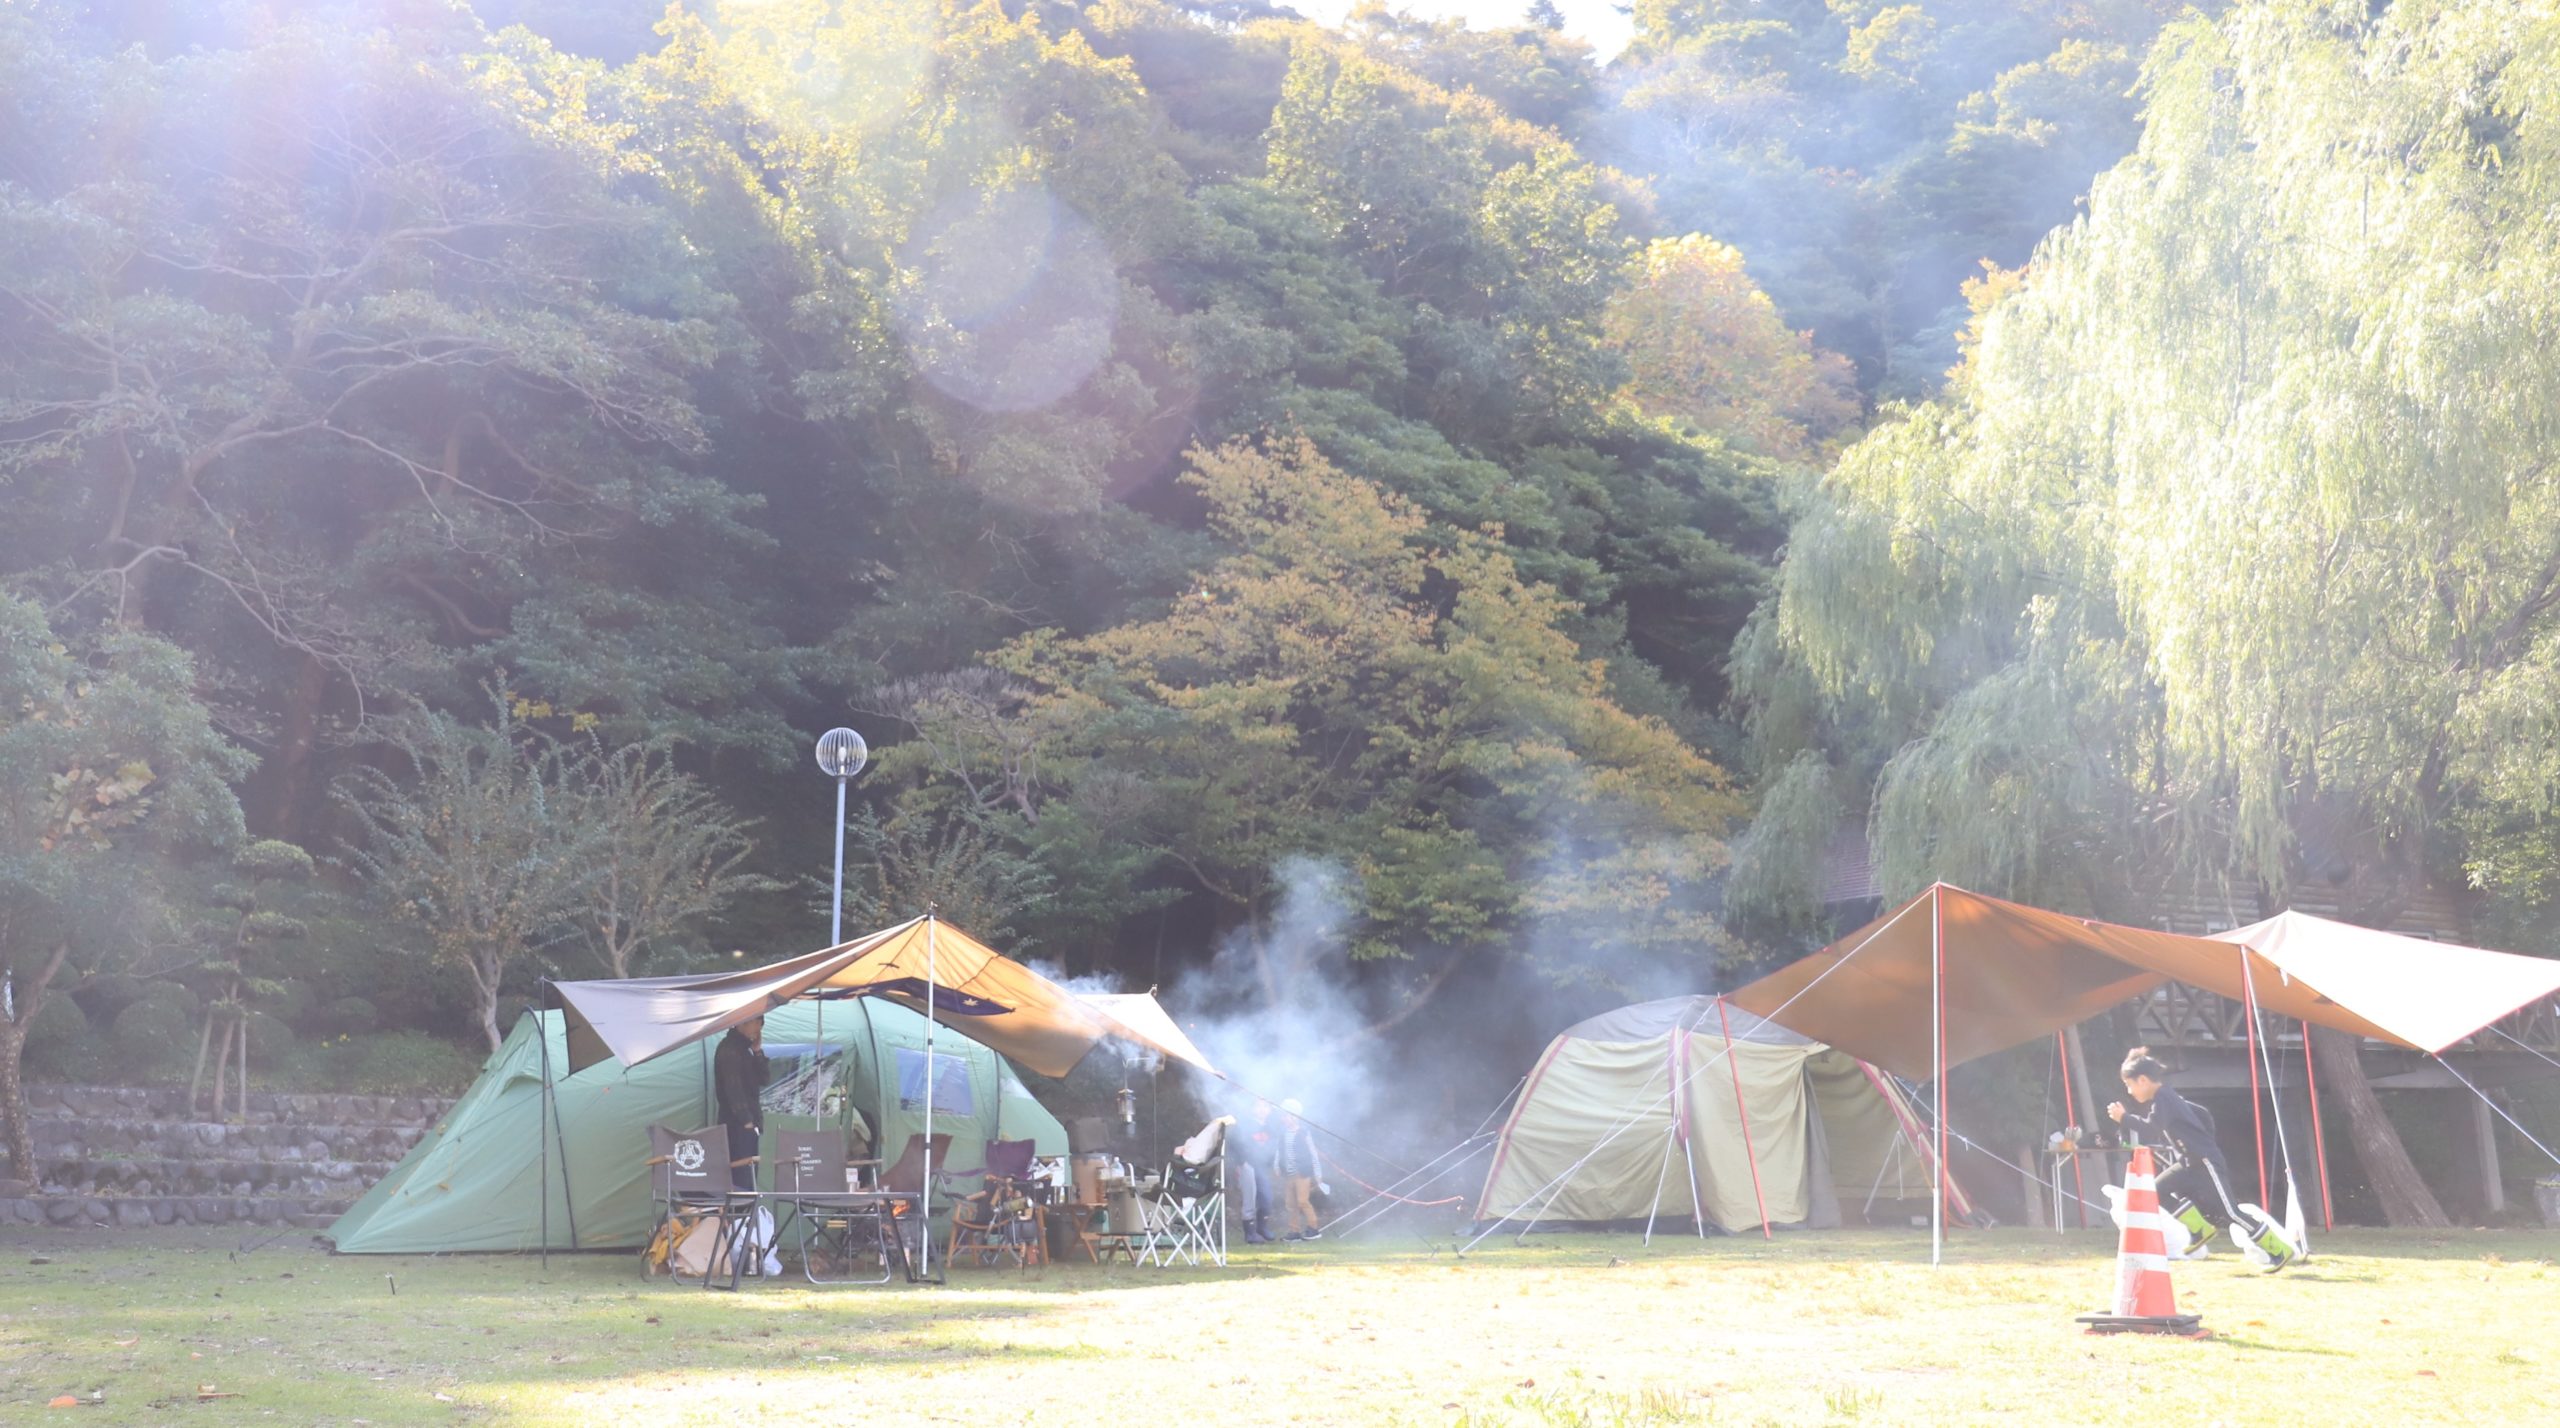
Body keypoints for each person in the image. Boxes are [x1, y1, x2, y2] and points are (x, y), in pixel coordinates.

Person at [2108, 1048, 2295, 1271]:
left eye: (2129, 1085)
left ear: (2143, 1080)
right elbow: (2203, 1113)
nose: (2129, 1092)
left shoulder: (2163, 1099)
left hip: (2205, 1162)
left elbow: (2151, 1128)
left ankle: (2278, 1249)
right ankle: (2200, 1229)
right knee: (2155, 1190)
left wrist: (2124, 1118)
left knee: (2230, 1212)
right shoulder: (2169, 1097)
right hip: (2189, 1162)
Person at [713, 1014, 769, 1190]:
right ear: (742, 1022)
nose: (759, 1029)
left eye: (761, 1024)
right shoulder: (729, 1049)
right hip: (736, 1125)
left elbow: (765, 1078)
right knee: (741, 1177)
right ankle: (738, 1216)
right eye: (757, 1023)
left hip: (749, 1124)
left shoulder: (746, 1049)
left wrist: (758, 1051)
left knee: (750, 1175)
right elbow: (733, 1088)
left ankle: (746, 1214)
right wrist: (746, 1121)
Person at [1274, 1098, 1325, 1242]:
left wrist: (1318, 1173)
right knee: (1291, 1203)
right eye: (1283, 1116)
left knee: (1302, 1201)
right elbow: (1279, 1151)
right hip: (1289, 1174)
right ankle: (1294, 1231)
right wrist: (1277, 1166)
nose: (1284, 1118)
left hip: (1302, 1173)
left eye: (1287, 1115)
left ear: (1295, 1116)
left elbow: (1313, 1153)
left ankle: (1313, 1228)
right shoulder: (1283, 1133)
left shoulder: (1303, 1132)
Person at [1235, 1099, 1278, 1244]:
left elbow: (1274, 1147)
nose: (1262, 1109)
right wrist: (1241, 1162)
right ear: (1252, 1108)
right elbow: (1236, 1144)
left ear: (1270, 1110)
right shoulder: (1244, 1124)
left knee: (1266, 1199)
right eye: (1259, 1106)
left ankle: (1262, 1227)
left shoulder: (1271, 1127)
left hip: (1263, 1167)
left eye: (1266, 1107)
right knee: (1250, 1200)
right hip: (1248, 1165)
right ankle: (1250, 1233)